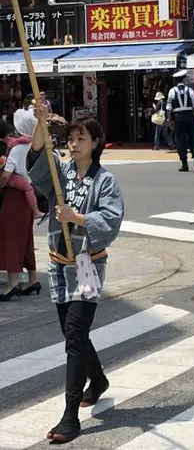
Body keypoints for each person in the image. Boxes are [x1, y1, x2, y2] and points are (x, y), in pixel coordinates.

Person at [28, 107, 124, 444]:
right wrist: (41, 122)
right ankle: (97, 380)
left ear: (96, 142)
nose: (74, 143)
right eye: (70, 139)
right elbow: (36, 156)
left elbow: (111, 219)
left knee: (73, 335)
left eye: (81, 138)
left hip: (87, 265)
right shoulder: (62, 173)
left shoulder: (105, 180)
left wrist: (76, 217)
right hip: (59, 263)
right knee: (75, 334)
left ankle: (70, 417)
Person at [0, 111, 40, 300]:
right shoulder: (34, 146)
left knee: (12, 238)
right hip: (29, 193)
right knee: (26, 239)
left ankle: (12, 283)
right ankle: (32, 279)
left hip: (14, 196)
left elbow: (7, 175)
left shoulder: (17, 148)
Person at [166, 70, 194, 173]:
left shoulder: (172, 91)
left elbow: (168, 108)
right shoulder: (189, 90)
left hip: (178, 117)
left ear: (176, 81)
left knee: (181, 141)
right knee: (193, 139)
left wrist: (169, 121)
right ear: (184, 79)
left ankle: (184, 164)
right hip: (190, 116)